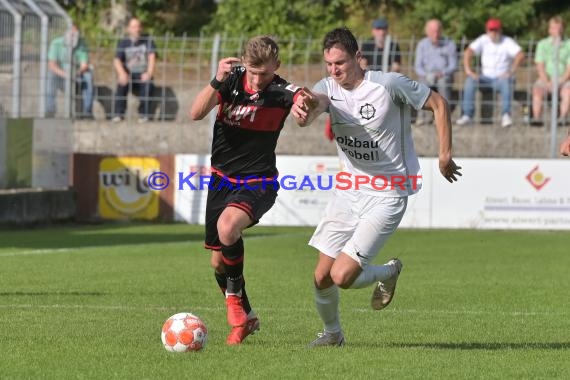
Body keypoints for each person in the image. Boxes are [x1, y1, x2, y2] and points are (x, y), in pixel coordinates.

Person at [291, 27, 461, 347]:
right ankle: (332, 334)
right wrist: (302, 107)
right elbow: (314, 105)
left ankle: (387, 272)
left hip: (388, 194)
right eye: (328, 64)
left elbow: (439, 104)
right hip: (348, 190)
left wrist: (444, 153)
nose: (334, 70)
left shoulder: (388, 85)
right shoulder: (327, 87)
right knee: (321, 276)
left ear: (359, 58)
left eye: (340, 63)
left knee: (342, 277)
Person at [189, 36, 306, 345]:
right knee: (217, 262)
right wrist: (216, 79)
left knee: (228, 228)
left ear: (276, 67)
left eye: (265, 73)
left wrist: (303, 107)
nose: (257, 80)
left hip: (258, 182)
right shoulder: (229, 83)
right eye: (252, 72)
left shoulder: (282, 91)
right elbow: (195, 113)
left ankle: (233, 300)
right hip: (221, 181)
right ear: (244, 63)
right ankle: (248, 317)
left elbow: (303, 99)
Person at [456, 18, 525, 128]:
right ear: (487, 31)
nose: (493, 33)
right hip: (485, 78)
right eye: (491, 30)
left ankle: (506, 115)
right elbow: (468, 52)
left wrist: (511, 71)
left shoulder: (507, 41)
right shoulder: (482, 40)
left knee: (506, 82)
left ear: (500, 30)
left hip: (502, 78)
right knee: (470, 81)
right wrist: (469, 71)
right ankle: (467, 115)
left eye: (495, 30)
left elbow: (520, 55)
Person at [112, 17, 156, 123]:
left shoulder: (148, 41)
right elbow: (116, 60)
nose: (137, 29)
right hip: (128, 74)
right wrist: (122, 73)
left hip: (143, 74)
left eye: (138, 26)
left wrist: (149, 73)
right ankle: (118, 114)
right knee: (121, 83)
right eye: (133, 27)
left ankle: (144, 114)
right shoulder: (123, 43)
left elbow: (152, 57)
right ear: (128, 29)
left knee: (148, 84)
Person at [414, 19, 457, 126]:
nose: (436, 34)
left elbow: (453, 65)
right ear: (427, 31)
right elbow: (417, 66)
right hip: (426, 75)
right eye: (433, 31)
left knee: (443, 82)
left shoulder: (449, 44)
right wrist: (426, 74)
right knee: (422, 85)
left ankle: (443, 116)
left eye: (438, 31)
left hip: (444, 75)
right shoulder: (422, 45)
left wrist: (443, 72)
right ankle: (422, 117)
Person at [46, 24, 94, 119]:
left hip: (76, 75)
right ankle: (50, 110)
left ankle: (87, 111)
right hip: (60, 75)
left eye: (75, 34)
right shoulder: (56, 43)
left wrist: (76, 73)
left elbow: (84, 65)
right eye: (71, 34)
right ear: (66, 33)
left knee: (88, 76)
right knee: (50, 75)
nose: (73, 36)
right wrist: (65, 74)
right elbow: (52, 65)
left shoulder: (82, 45)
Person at [531, 16, 570, 126]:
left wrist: (560, 82)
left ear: (563, 29)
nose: (556, 31)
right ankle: (537, 119)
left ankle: (562, 119)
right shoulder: (542, 44)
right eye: (553, 28)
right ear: (549, 30)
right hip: (546, 78)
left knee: (568, 92)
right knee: (537, 90)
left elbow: (569, 68)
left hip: (564, 79)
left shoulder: (569, 44)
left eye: (559, 28)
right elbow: (540, 66)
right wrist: (547, 82)